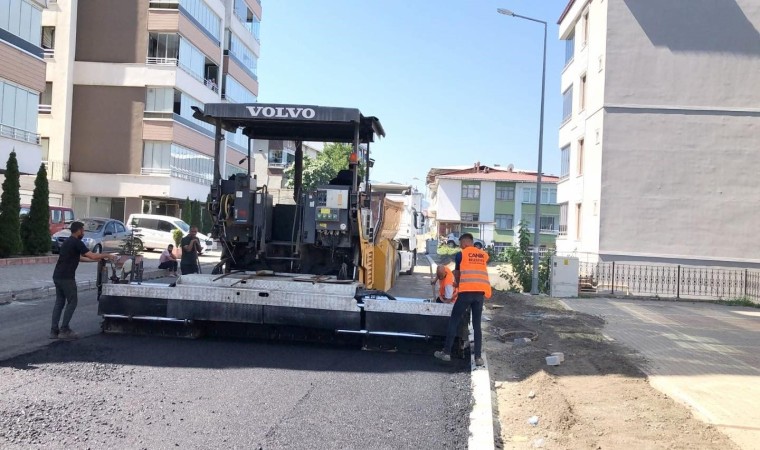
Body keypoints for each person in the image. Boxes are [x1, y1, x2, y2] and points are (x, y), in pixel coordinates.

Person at [51, 221, 117, 340]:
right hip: (67, 277)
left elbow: (79, 258)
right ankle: (64, 329)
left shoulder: (67, 242)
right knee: (72, 301)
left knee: (59, 302)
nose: (84, 232)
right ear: (78, 231)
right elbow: (92, 255)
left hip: (57, 276)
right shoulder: (77, 242)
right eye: (83, 230)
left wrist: (95, 261)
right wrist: (107, 256)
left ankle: (53, 330)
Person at [434, 233, 492, 366]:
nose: (460, 247)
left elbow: (458, 274)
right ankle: (478, 358)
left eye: (460, 245)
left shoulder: (461, 255)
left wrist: (457, 284)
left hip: (466, 293)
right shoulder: (483, 254)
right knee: (477, 325)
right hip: (479, 294)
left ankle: (447, 353)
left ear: (465, 243)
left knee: (454, 320)